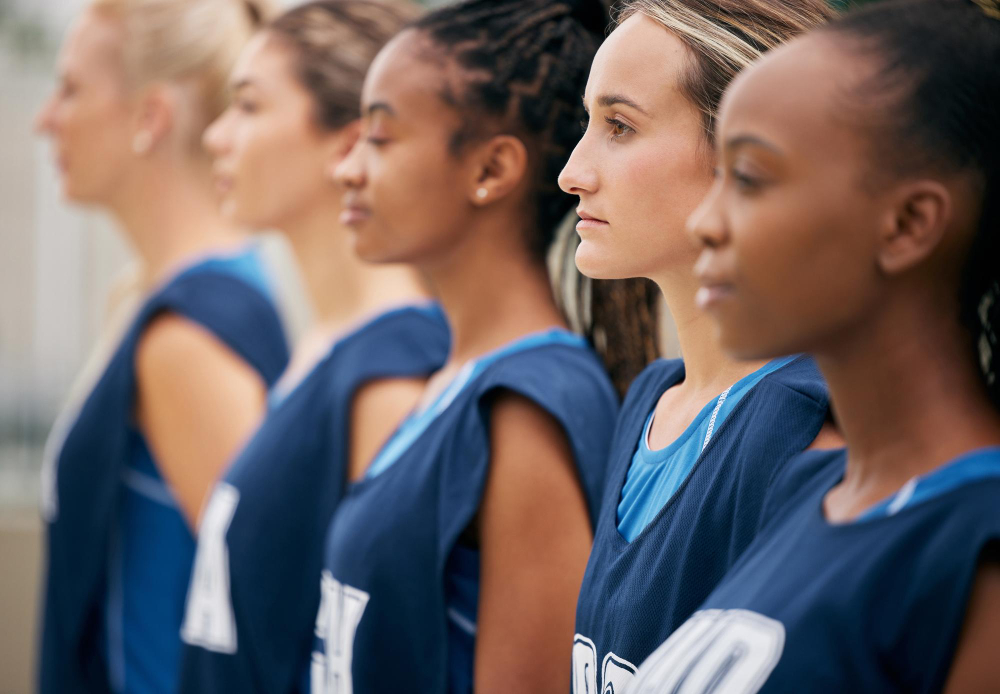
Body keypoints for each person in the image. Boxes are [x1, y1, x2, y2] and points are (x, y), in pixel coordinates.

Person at [630, 0, 1000, 690]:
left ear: (908, 224)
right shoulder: (809, 488)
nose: (706, 223)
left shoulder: (972, 545)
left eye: (749, 178)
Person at [311, 1, 620, 691]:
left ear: (493, 166)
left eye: (382, 138)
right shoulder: (454, 377)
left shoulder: (528, 406)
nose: (348, 168)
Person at [556, 1, 836, 690]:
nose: (572, 171)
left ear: (747, 153)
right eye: (586, 123)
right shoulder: (652, 401)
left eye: (619, 125)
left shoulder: (807, 425)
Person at [176, 3, 450, 692]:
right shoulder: (327, 348)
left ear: (346, 142)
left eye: (247, 106)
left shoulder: (392, 374)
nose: (216, 135)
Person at [33, 1, 289, 692]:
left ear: (151, 116)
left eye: (72, 90)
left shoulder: (190, 336)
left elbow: (268, 613)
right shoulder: (153, 303)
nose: (45, 119)